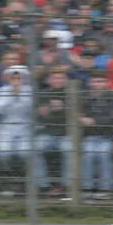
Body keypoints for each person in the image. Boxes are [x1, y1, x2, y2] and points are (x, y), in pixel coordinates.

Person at [0, 66, 33, 193]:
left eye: (19, 78)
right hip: (7, 126)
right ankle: (7, 182)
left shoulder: (29, 91)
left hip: (26, 126)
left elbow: (30, 109)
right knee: (3, 152)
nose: (16, 81)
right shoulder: (2, 90)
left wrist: (20, 95)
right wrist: (11, 95)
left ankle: (22, 181)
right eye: (13, 78)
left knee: (24, 152)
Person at [79, 73, 113, 201]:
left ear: (107, 83)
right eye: (95, 81)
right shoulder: (83, 97)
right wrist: (80, 118)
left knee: (104, 153)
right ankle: (87, 188)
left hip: (108, 136)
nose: (98, 85)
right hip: (88, 136)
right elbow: (76, 113)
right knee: (88, 153)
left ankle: (105, 188)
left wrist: (93, 121)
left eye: (101, 81)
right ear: (90, 83)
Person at [34, 69, 72, 199]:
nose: (58, 81)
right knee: (35, 148)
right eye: (55, 78)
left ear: (66, 80)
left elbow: (76, 117)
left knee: (69, 150)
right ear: (49, 80)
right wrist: (48, 111)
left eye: (61, 78)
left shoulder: (73, 93)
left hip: (68, 133)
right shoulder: (43, 94)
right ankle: (42, 185)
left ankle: (67, 186)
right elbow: (40, 116)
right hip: (48, 132)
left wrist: (64, 109)